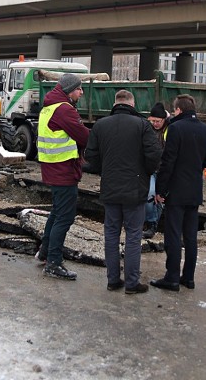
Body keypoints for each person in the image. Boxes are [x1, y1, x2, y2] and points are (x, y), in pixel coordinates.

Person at [84, 90, 162, 294]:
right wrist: (144, 173)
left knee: (111, 234)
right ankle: (132, 283)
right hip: (135, 189)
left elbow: (90, 156)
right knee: (133, 235)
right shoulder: (143, 125)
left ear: (115, 103)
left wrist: (105, 169)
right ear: (132, 104)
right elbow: (154, 155)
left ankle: (112, 280)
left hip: (110, 187)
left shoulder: (101, 125)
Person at [150, 94, 206, 292]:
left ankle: (171, 278)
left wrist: (160, 190)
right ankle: (189, 277)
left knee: (174, 235)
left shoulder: (176, 128)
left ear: (178, 110)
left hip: (176, 191)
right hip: (194, 190)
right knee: (190, 237)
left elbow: (168, 162)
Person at [36, 73, 90, 280]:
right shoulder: (65, 109)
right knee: (65, 217)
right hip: (64, 170)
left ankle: (45, 253)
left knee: (57, 213)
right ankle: (53, 263)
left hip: (53, 169)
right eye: (79, 89)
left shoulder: (49, 107)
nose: (81, 92)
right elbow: (83, 135)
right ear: (69, 90)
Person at [143, 102, 169, 239]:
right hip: (151, 168)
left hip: (164, 169)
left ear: (164, 120)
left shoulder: (169, 130)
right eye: (152, 121)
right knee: (151, 195)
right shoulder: (147, 129)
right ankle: (151, 223)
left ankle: (153, 224)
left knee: (160, 198)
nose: (155, 124)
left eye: (157, 121)